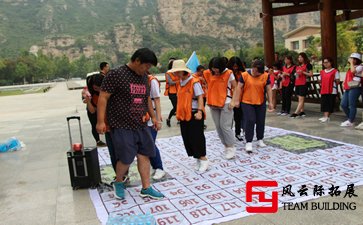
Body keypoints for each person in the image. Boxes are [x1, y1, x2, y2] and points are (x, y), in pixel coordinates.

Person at [96, 48, 164, 200]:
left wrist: (153, 117)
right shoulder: (116, 74)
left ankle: (146, 187)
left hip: (140, 123)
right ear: (137, 60)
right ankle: (118, 182)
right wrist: (100, 121)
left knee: (145, 154)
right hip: (121, 124)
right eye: (146, 66)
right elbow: (103, 98)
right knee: (126, 158)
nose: (147, 70)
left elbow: (147, 98)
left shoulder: (144, 77)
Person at [170, 60, 209, 172]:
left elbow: (200, 97)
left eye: (177, 72)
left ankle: (203, 159)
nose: (176, 74)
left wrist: (200, 111)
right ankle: (197, 158)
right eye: (175, 72)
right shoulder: (180, 83)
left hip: (194, 113)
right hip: (183, 114)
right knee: (187, 137)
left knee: (196, 137)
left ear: (183, 71)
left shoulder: (194, 82)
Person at [231, 60, 274, 153]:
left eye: (259, 72)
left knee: (260, 120)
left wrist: (270, 102)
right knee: (250, 120)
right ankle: (249, 141)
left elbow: (269, 89)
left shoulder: (265, 76)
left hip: (260, 102)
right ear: (253, 68)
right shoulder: (245, 75)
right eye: (255, 71)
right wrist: (237, 100)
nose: (257, 74)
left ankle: (260, 139)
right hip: (247, 102)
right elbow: (239, 87)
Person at [205, 57, 237, 159]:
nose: (215, 70)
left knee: (225, 126)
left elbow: (236, 87)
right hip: (213, 103)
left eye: (217, 68)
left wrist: (233, 101)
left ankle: (231, 147)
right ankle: (226, 145)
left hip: (226, 103)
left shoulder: (229, 73)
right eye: (213, 68)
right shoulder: (208, 73)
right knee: (218, 127)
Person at [146, 72, 166, 180]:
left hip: (151, 117)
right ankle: (154, 165)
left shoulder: (151, 81)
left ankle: (159, 168)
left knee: (150, 143)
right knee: (145, 144)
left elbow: (157, 100)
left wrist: (158, 119)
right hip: (140, 117)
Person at [340, 53, 363, 127]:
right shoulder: (351, 66)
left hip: (355, 88)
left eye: (353, 59)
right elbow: (348, 76)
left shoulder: (360, 67)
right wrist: (344, 82)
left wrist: (351, 63)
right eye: (351, 58)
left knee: (352, 105)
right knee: (343, 104)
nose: (351, 60)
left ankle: (350, 121)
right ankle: (351, 118)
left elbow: (353, 71)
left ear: (357, 60)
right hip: (348, 87)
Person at [227, 56, 245, 141]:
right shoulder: (227, 73)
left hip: (240, 98)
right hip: (229, 98)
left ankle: (237, 133)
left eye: (236, 66)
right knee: (229, 118)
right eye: (233, 66)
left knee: (238, 117)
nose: (235, 68)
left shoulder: (242, 73)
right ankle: (228, 134)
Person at [290, 52, 313, 118]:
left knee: (301, 98)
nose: (299, 58)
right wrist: (296, 74)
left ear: (304, 58)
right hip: (297, 83)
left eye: (301, 57)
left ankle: (296, 112)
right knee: (299, 97)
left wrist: (303, 72)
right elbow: (296, 76)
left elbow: (311, 74)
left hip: (304, 83)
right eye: (299, 57)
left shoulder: (308, 65)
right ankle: (302, 111)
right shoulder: (297, 66)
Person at [319, 57, 340, 123]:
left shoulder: (335, 71)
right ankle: (325, 116)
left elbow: (338, 81)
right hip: (324, 89)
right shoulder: (322, 72)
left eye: (326, 62)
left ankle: (327, 117)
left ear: (330, 63)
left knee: (329, 103)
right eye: (324, 62)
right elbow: (320, 80)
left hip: (331, 90)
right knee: (324, 103)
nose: (325, 64)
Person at [164, 58, 178, 127]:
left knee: (179, 107)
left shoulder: (177, 72)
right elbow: (170, 82)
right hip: (172, 92)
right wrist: (179, 81)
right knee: (176, 107)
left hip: (178, 91)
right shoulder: (168, 73)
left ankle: (180, 119)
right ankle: (168, 119)